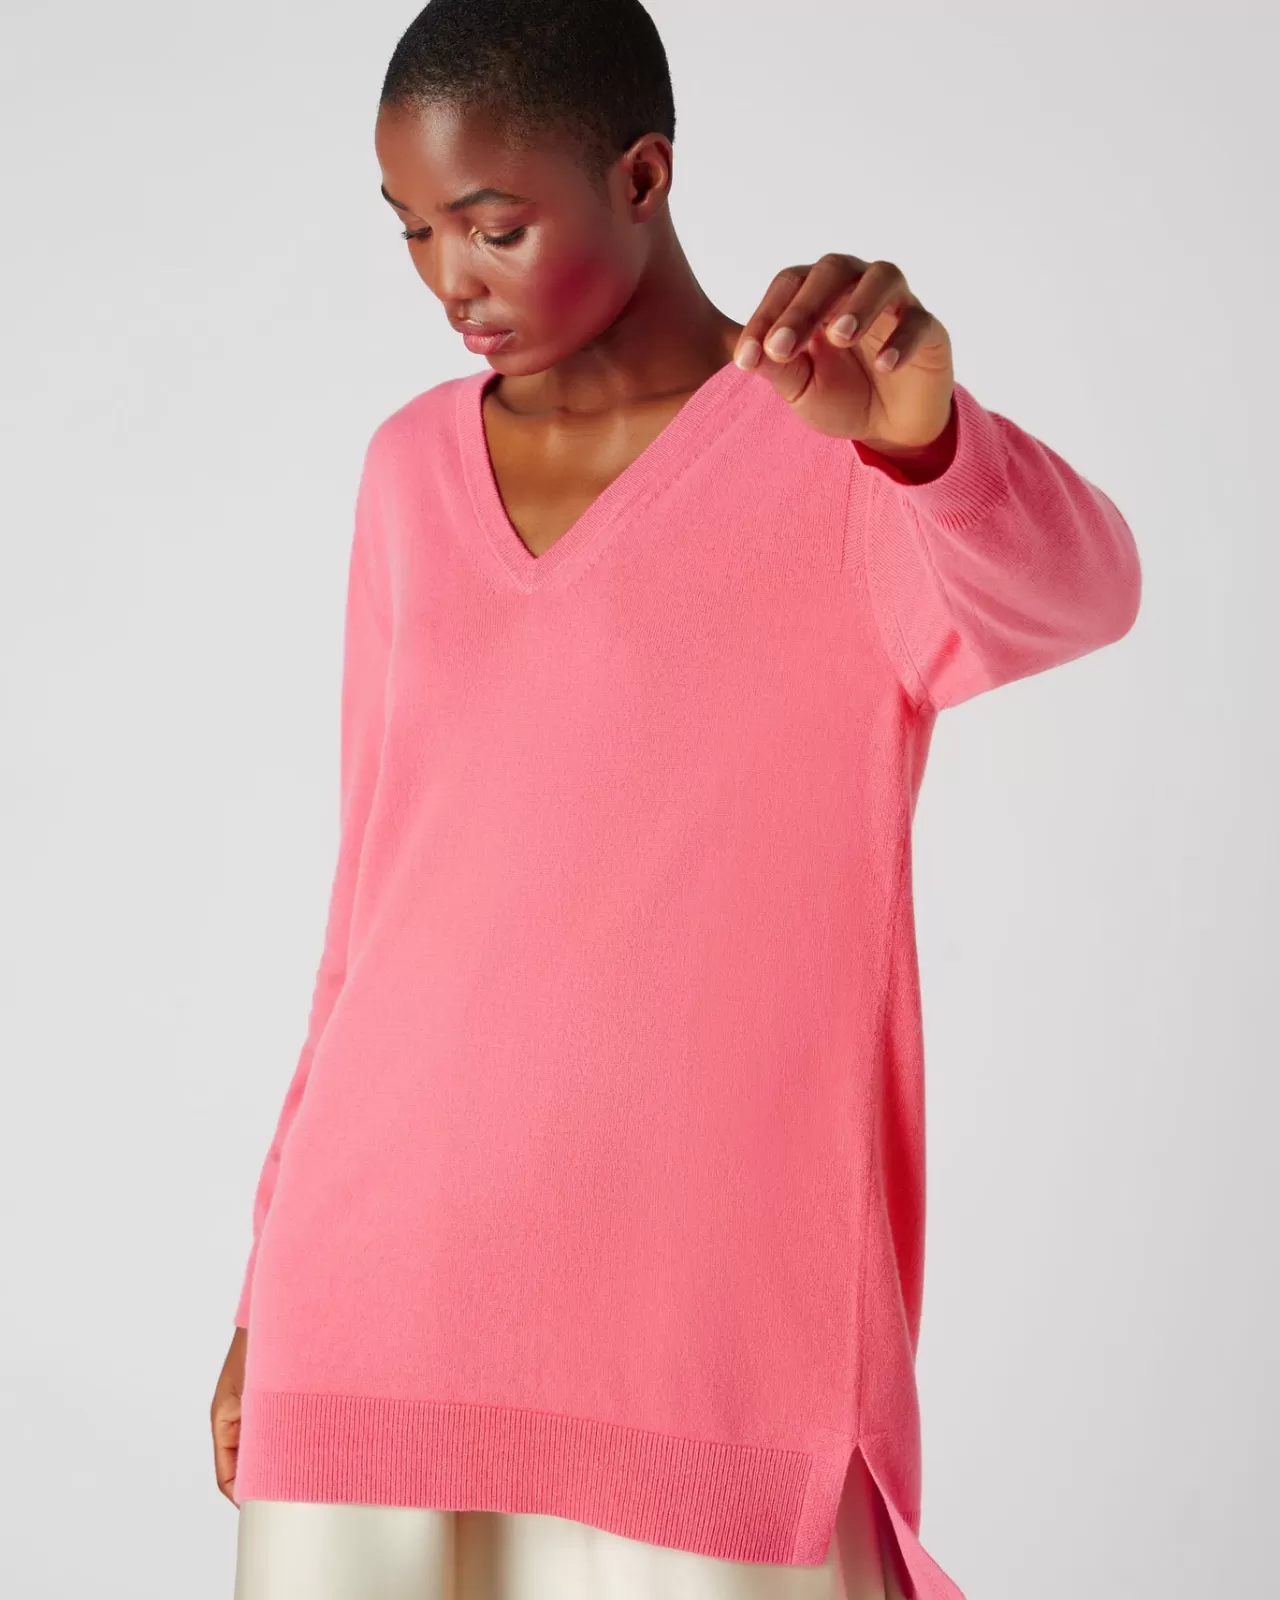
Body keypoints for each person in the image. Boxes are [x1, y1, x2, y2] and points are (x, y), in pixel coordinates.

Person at [210, 1, 1143, 1595]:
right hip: (374, 1287)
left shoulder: (842, 443)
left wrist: (928, 443)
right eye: (415, 231)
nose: (448, 280)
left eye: (494, 226)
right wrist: (265, 1289)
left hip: (703, 1332)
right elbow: (370, 914)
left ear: (640, 177)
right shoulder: (406, 472)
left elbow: (1083, 594)